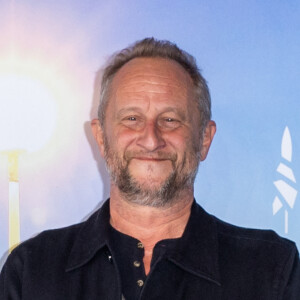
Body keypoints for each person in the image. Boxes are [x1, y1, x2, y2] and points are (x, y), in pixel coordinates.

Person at [0, 38, 299, 299]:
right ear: (101, 138)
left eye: (170, 120)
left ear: (204, 139)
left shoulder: (271, 269)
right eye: (131, 118)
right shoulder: (32, 270)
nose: (150, 138)